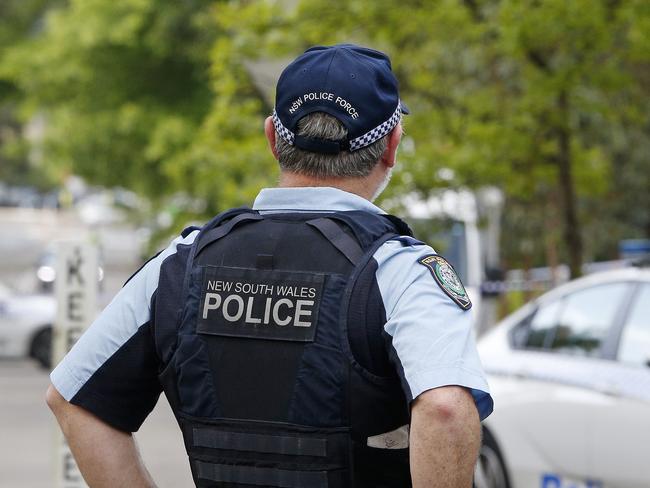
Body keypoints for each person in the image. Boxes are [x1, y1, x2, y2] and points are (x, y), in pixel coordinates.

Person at [47, 44, 493, 488]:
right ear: (391, 147)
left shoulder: (179, 266)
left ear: (273, 140)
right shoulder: (402, 273)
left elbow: (74, 399)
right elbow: (445, 408)